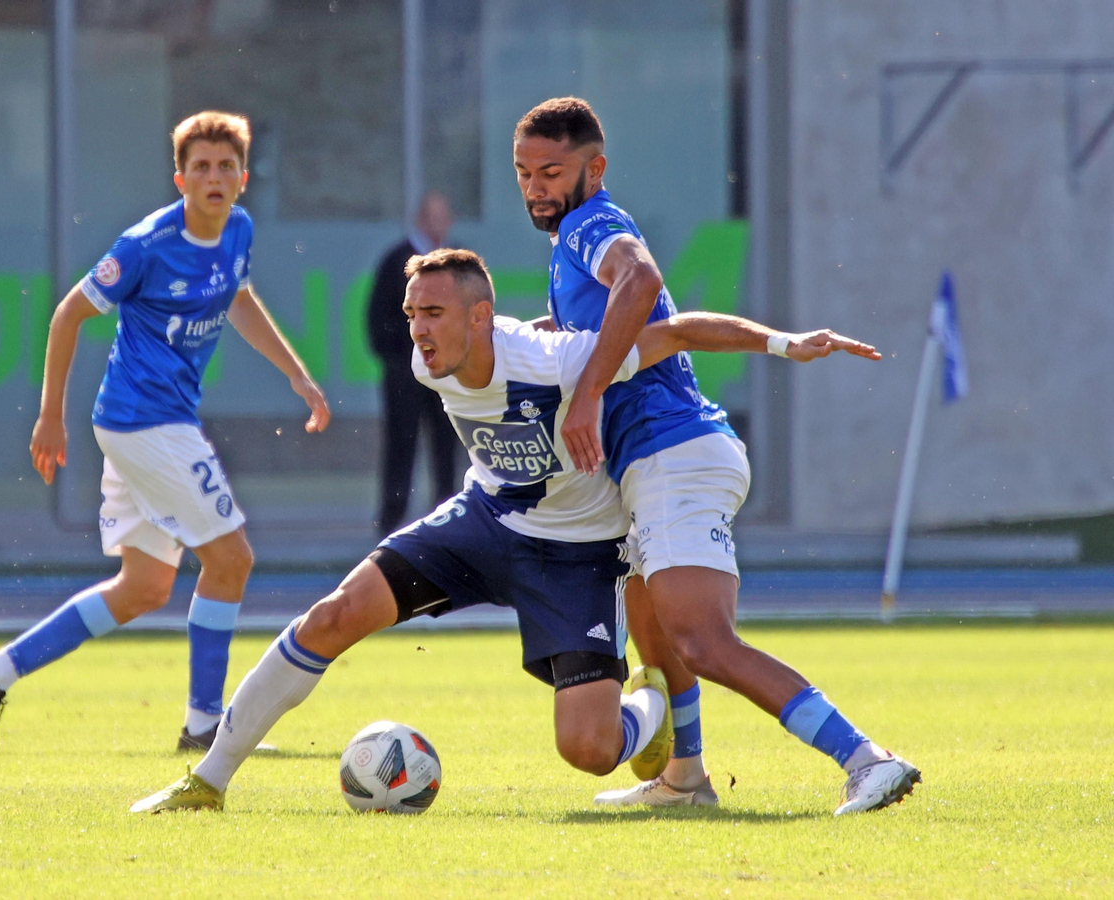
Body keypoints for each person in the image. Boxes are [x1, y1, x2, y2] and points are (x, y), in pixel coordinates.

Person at [129, 249, 881, 813]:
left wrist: (785, 343)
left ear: (481, 317)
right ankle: (209, 780)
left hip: (578, 555)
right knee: (333, 615)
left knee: (588, 749)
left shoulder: (555, 360)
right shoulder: (427, 365)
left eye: (434, 313)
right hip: (483, 523)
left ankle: (649, 702)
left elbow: (677, 330)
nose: (419, 330)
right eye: (412, 314)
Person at [513, 97, 919, 815]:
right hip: (656, 461)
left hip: (676, 454)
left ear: (594, 170)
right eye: (523, 172)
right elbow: (676, 324)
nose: (535, 187)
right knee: (651, 624)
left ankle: (867, 759)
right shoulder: (575, 249)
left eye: (551, 171)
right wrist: (783, 342)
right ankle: (685, 778)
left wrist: (586, 394)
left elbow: (642, 284)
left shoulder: (590, 224)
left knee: (703, 641)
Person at [0, 111, 330, 754]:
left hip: (154, 425)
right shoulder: (145, 245)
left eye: (226, 166)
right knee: (232, 560)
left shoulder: (238, 229)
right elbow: (67, 316)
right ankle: (205, 725)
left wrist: (296, 374)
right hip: (143, 422)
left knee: (144, 588)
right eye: (200, 167)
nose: (214, 177)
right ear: (179, 178)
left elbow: (237, 298)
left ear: (243, 177)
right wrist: (50, 415)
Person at [367, 192, 459, 534]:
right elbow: (377, 318)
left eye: (443, 217)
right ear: (420, 220)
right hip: (404, 376)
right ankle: (391, 519)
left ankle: (447, 516)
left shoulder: (457, 263)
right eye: (431, 218)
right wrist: (399, 360)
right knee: (400, 445)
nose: (437, 225)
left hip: (447, 374)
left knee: (447, 446)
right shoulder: (396, 261)